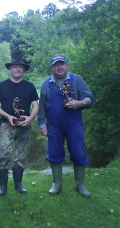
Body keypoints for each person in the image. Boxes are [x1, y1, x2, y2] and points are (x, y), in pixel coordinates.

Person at [37, 54, 94, 197]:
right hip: (54, 125)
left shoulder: (77, 80)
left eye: (62, 64)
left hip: (73, 123)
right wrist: (42, 124)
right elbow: (41, 108)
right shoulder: (46, 84)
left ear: (67, 65)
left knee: (78, 152)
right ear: (52, 67)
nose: (59, 67)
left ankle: (80, 185)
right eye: (56, 65)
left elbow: (90, 99)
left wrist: (80, 103)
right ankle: (57, 184)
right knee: (54, 152)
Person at [0, 58, 39, 196]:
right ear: (10, 69)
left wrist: (30, 119)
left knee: (21, 156)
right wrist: (8, 116)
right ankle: (3, 187)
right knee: (3, 155)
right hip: (7, 125)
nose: (17, 69)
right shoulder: (2, 86)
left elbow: (36, 105)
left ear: (24, 70)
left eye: (20, 67)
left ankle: (18, 185)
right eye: (15, 67)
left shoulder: (30, 86)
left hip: (24, 126)